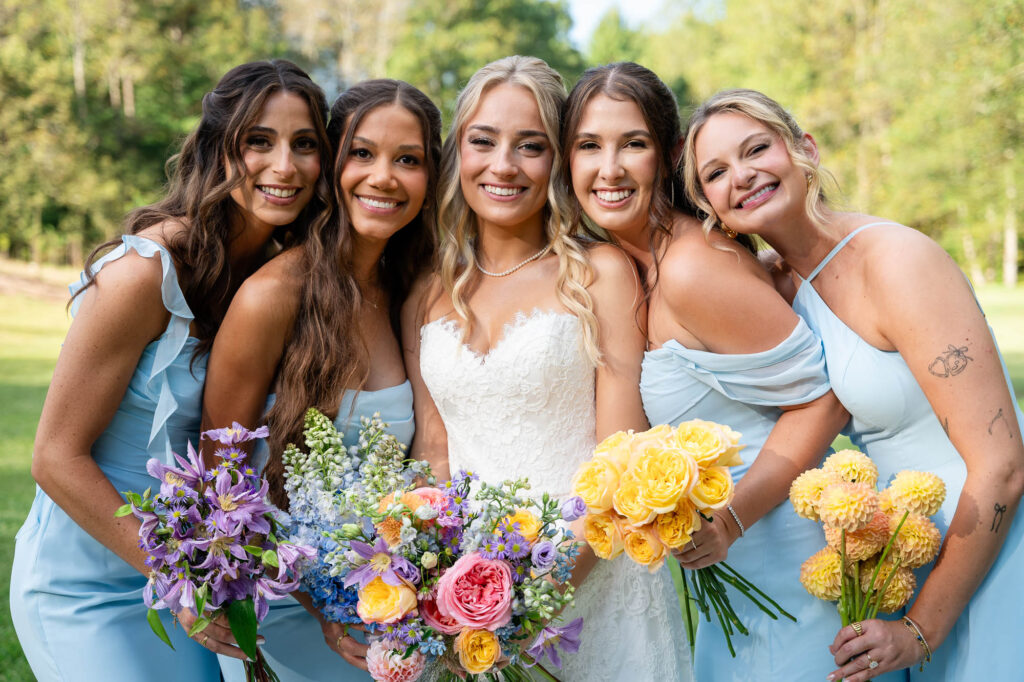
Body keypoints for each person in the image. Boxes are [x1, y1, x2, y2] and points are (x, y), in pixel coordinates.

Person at [684, 88, 1024, 682]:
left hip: (989, 554)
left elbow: (1003, 464)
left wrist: (922, 628)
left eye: (756, 148)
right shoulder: (780, 286)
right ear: (710, 203)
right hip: (902, 554)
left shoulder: (894, 262)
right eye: (716, 172)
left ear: (804, 150)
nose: (741, 175)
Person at [9, 60, 330, 681]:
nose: (284, 166)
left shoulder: (279, 278)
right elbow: (54, 455)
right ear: (218, 149)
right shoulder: (142, 274)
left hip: (199, 581)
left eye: (306, 144)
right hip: (92, 579)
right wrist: (178, 577)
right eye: (258, 141)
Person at [563, 62, 857, 681]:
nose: (609, 168)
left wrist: (730, 521)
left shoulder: (691, 268)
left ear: (668, 156)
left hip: (788, 566)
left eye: (632, 144)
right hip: (733, 575)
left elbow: (827, 403)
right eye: (589, 145)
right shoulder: (632, 265)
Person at [401, 55, 690, 682]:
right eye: (483, 141)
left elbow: (622, 453)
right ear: (459, 154)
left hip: (597, 583)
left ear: (556, 160)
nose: (502, 165)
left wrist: (534, 601)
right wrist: (434, 588)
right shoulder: (426, 292)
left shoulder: (599, 274)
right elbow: (434, 450)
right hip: (467, 605)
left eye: (529, 146)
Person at [202, 78, 441, 681]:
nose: (383, 177)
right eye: (362, 153)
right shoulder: (272, 297)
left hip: (381, 615)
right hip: (285, 608)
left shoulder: (404, 289)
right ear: (333, 164)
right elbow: (220, 486)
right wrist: (320, 603)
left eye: (407, 160)